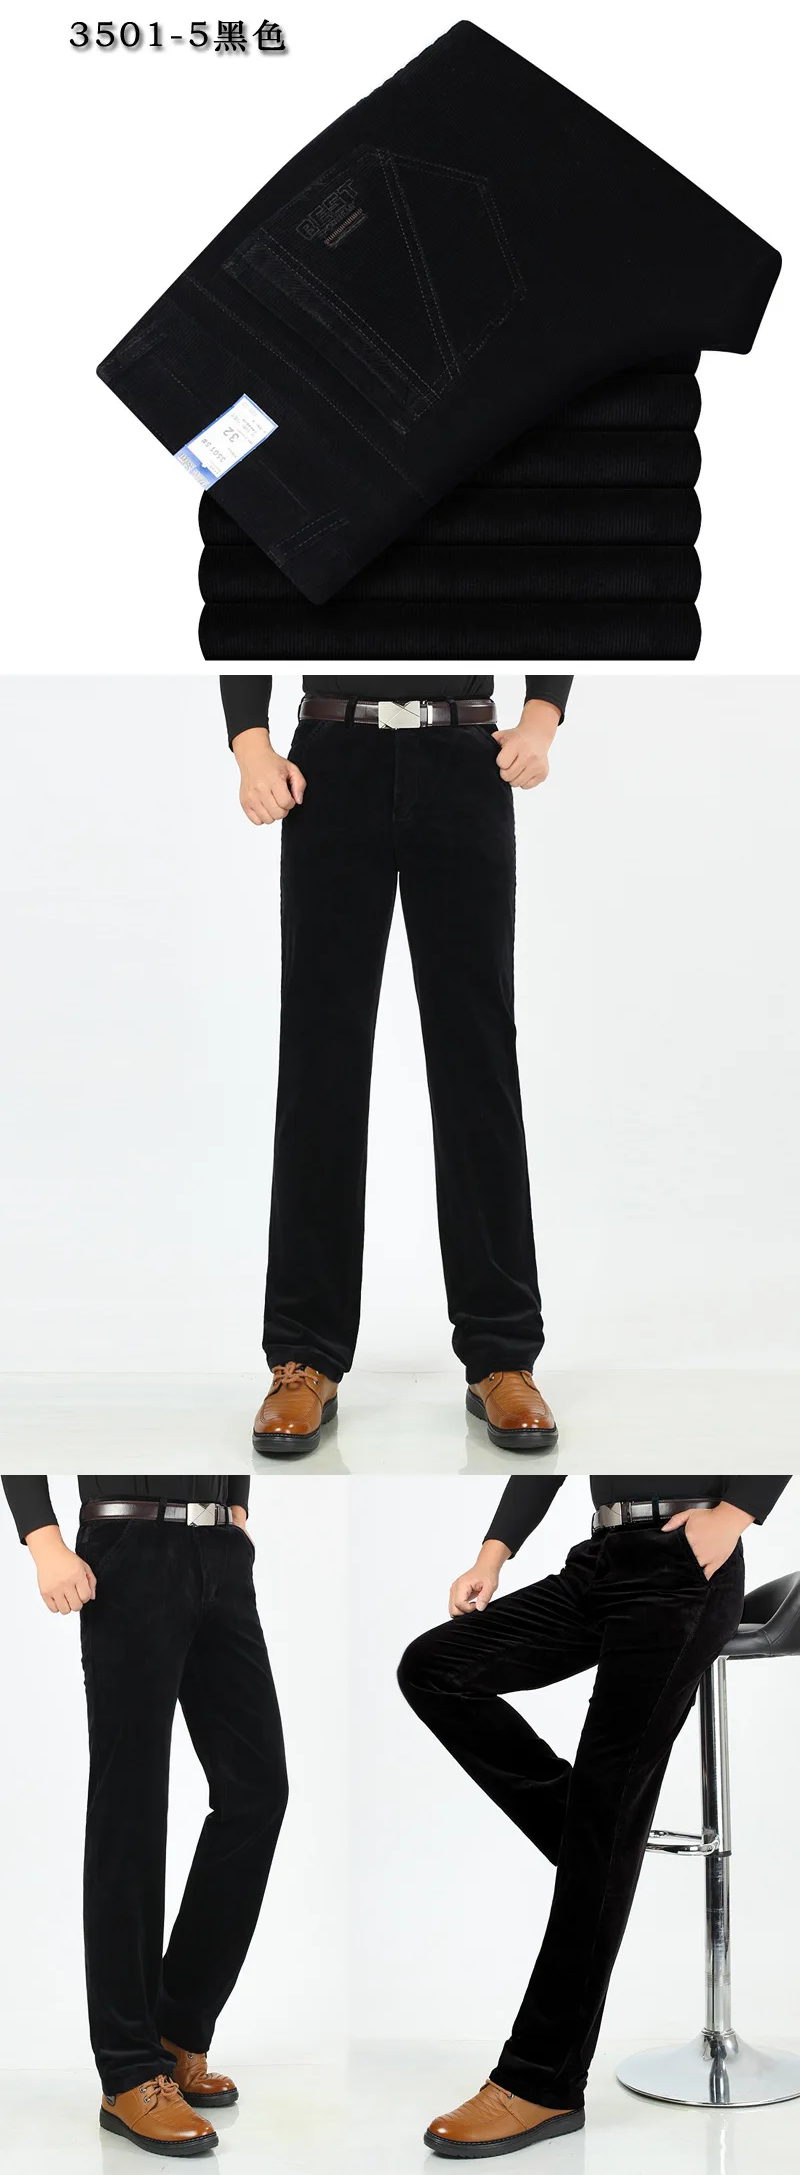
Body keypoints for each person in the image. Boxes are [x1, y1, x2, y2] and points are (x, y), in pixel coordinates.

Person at [221, 673, 572, 1456]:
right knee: (320, 1066)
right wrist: (249, 742)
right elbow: (249, 607)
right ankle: (304, 1358)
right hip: (330, 763)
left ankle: (503, 1355)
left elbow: (568, 595)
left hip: (465, 758)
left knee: (478, 1064)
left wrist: (542, 719)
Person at [398, 1472, 790, 2156]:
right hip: (600, 1560)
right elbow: (547, 1451)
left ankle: (541, 2083)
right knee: (433, 1667)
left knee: (601, 1829)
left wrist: (735, 1515)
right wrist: (492, 1554)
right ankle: (590, 1833)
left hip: (685, 1567)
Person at [2, 1474, 287, 2159]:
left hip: (220, 1550)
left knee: (257, 1791)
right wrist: (43, 1539)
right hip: (127, 1548)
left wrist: (237, 1509)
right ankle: (129, 2071)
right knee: (130, 1806)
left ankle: (177, 2030)